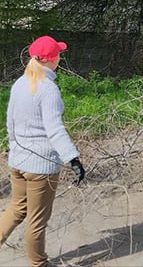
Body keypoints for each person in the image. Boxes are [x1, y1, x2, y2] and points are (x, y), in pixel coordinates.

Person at [0, 35, 85, 267]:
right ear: (51, 59)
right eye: (58, 54)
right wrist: (73, 159)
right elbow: (55, 130)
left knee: (16, 209)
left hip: (18, 162)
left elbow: (11, 123)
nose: (60, 57)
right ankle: (39, 264)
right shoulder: (48, 90)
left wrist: (14, 150)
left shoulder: (20, 83)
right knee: (36, 221)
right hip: (41, 167)